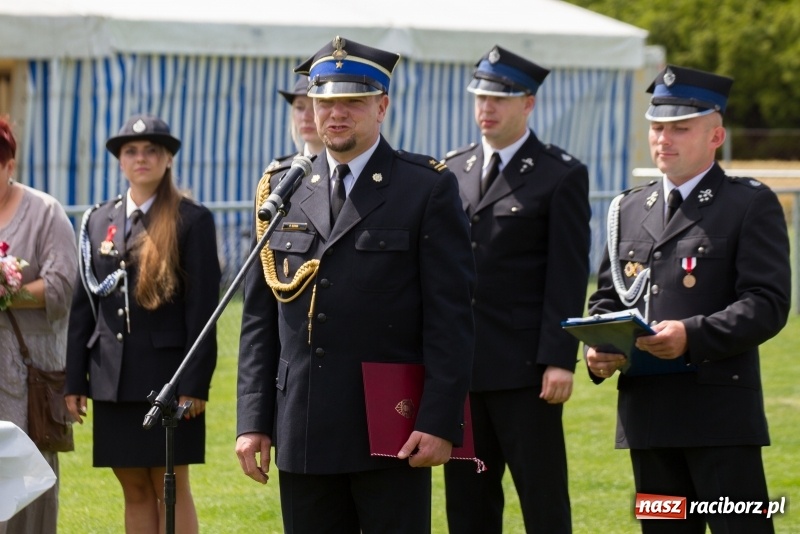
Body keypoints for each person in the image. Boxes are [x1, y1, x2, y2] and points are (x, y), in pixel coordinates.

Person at [235, 36, 476, 533]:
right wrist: (254, 419)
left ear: (382, 106)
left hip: (390, 425)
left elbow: (450, 319)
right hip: (303, 423)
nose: (335, 114)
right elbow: (259, 319)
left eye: (352, 102)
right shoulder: (284, 187)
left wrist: (438, 420)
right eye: (324, 103)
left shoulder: (426, 187)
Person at [585, 65, 790, 533]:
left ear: (715, 135)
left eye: (680, 128)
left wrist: (691, 336)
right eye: (657, 127)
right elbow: (606, 299)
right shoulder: (629, 207)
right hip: (648, 418)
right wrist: (598, 349)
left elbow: (767, 302)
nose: (663, 139)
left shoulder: (748, 204)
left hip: (718, 416)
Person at [441, 45, 591, 533]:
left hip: (526, 373)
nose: (486, 108)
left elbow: (566, 275)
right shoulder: (452, 171)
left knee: (542, 500)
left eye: (499, 99)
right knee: (469, 504)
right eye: (480, 97)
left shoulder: (559, 173)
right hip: (461, 372)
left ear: (528, 104)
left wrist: (558, 359)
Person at [65, 114, 221, 534]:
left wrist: (195, 383)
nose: (141, 158)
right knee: (132, 486)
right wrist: (74, 382)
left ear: (168, 158)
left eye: (152, 150)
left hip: (167, 379)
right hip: (112, 379)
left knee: (169, 484)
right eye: (131, 152)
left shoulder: (192, 219)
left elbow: (204, 309)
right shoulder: (99, 220)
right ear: (119, 162)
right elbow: (85, 305)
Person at [0, 117, 78, 534]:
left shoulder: (45, 211)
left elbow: (62, 286)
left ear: (10, 164)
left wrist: (6, 292)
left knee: (27, 480)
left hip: (27, 374)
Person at [278, 75, 324, 157]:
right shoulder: (284, 169)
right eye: (299, 108)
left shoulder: (350, 168)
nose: (305, 117)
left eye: (314, 108)